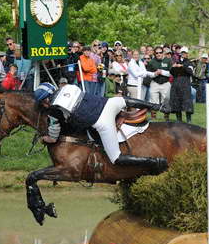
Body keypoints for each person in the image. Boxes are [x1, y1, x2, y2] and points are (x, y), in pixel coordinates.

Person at [33, 82, 167, 172]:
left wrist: (45, 138)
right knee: (123, 100)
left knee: (116, 158)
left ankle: (155, 162)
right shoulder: (68, 87)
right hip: (109, 103)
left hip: (103, 120)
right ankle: (157, 106)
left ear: (45, 100)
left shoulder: (53, 110)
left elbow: (53, 138)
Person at [169, 46, 194, 123]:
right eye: (182, 53)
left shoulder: (190, 62)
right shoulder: (176, 62)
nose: (183, 54)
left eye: (185, 53)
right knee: (176, 101)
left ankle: (188, 120)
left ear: (187, 54)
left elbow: (190, 72)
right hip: (176, 83)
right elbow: (171, 72)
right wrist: (173, 67)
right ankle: (179, 120)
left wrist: (183, 66)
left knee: (187, 102)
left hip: (185, 83)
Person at [147, 47, 172, 120]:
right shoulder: (151, 62)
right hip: (155, 82)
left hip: (165, 83)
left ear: (163, 52)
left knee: (167, 100)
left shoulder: (168, 60)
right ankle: (153, 118)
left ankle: (166, 117)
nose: (158, 54)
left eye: (160, 52)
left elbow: (171, 73)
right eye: (157, 53)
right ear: (154, 53)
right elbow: (148, 73)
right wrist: (154, 74)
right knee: (153, 101)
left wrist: (162, 72)